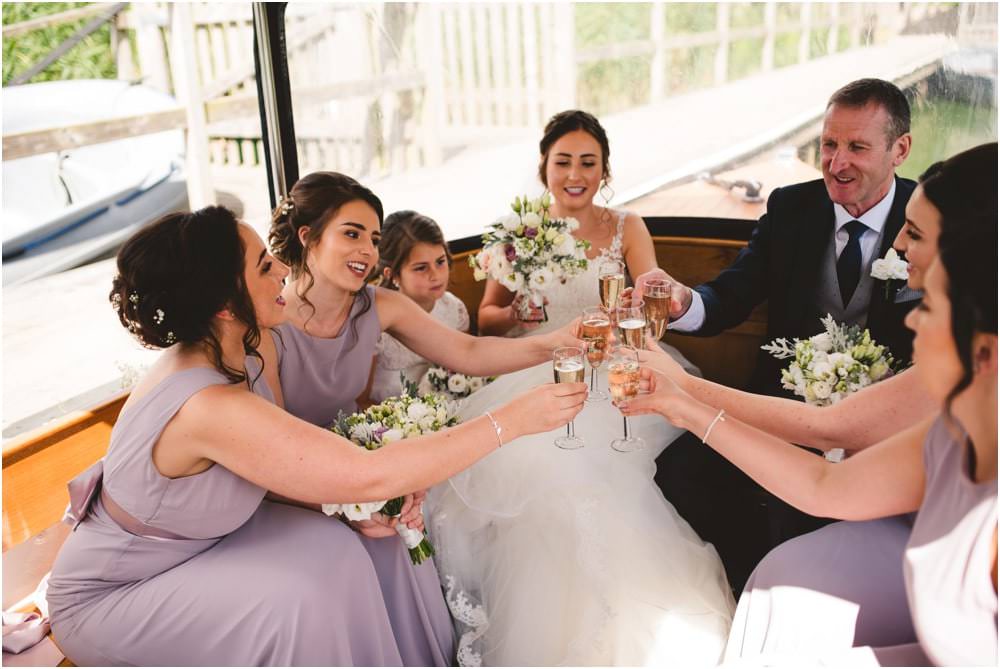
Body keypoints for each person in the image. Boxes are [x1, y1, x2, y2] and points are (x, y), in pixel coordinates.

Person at [45, 207, 587, 666]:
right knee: (299, 598)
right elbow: (366, 471)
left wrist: (360, 510)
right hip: (116, 592)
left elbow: (274, 471)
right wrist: (512, 420)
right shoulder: (206, 403)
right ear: (223, 304)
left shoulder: (246, 354)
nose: (282, 268)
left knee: (351, 545)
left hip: (207, 540)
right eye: (263, 266)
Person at [622, 171, 998, 665]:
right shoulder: (951, 432)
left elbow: (831, 429)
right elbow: (825, 485)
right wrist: (686, 406)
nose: (912, 319)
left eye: (932, 308)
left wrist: (689, 390)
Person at [426, 111, 734, 666]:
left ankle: (627, 607)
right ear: (544, 167)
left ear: (604, 170)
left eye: (588, 162)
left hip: (615, 363)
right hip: (537, 365)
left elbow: (653, 310)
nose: (575, 173)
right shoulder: (516, 232)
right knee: (540, 461)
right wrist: (521, 310)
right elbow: (487, 319)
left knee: (597, 462)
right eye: (563, 161)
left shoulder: (627, 228)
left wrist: (639, 310)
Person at [636, 78, 921, 588]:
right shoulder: (792, 208)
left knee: (819, 517)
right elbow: (730, 296)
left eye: (857, 147)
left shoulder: (926, 220)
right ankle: (742, 587)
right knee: (678, 473)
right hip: (775, 405)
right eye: (829, 144)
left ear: (900, 149)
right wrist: (684, 302)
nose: (837, 163)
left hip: (884, 428)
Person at [361, 210, 470, 404]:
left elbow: (469, 368)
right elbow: (361, 401)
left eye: (440, 262)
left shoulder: (454, 309)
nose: (435, 275)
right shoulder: (377, 326)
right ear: (392, 274)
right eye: (421, 268)